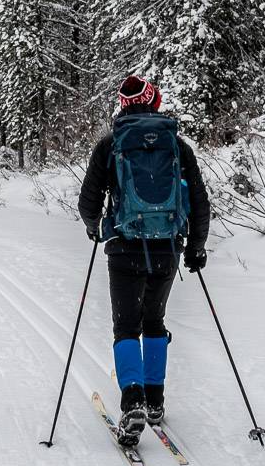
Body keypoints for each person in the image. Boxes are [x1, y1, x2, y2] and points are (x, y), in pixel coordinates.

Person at [78, 75, 211, 446]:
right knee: (154, 320)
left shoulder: (111, 144)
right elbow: (200, 202)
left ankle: (132, 399)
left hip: (123, 248)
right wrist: (196, 247)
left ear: (122, 104)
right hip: (167, 247)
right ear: (155, 101)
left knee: (126, 327)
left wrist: (97, 228)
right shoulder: (176, 145)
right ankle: (154, 400)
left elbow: (87, 203)